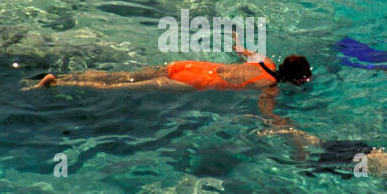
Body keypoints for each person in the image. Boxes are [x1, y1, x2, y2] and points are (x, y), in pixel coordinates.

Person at [26, 38, 311, 125]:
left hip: (187, 66)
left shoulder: (265, 62)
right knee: (119, 87)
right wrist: (279, 123)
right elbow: (266, 113)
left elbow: (241, 51)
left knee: (119, 75)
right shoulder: (269, 87)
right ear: (296, 79)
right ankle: (59, 84)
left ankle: (65, 77)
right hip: (194, 83)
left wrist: (236, 39)